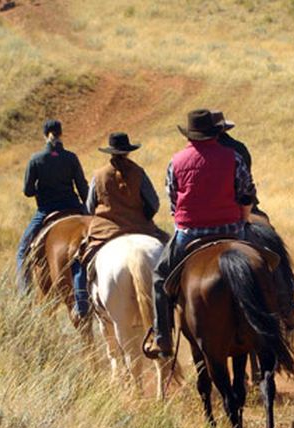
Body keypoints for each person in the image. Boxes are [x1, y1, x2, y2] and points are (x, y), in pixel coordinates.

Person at [147, 109, 256, 357]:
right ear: (215, 133)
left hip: (189, 234)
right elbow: (246, 193)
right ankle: (283, 312)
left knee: (160, 277)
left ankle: (162, 337)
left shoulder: (175, 162)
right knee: (265, 266)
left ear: (190, 135)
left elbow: (173, 202)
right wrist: (243, 220)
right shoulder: (233, 157)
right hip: (231, 229)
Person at [16, 119, 88, 299]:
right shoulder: (71, 157)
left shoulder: (36, 159)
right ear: (61, 134)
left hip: (46, 211)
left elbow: (27, 191)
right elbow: (83, 189)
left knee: (23, 251)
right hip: (73, 207)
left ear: (44, 135)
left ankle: (24, 294)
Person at [83, 132, 167, 266]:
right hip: (140, 227)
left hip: (105, 231)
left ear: (110, 152)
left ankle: (81, 287)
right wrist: (143, 216)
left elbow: (89, 207)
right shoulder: (139, 172)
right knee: (169, 252)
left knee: (81, 258)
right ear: (128, 152)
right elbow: (154, 204)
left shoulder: (99, 175)